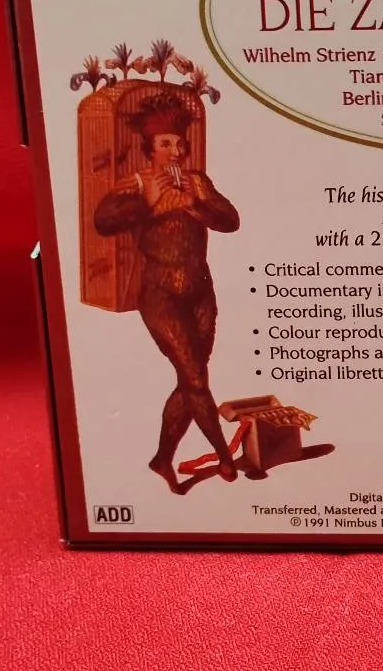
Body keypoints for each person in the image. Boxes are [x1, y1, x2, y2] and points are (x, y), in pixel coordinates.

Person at [93, 91, 241, 493]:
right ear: (150, 148)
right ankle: (225, 458)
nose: (175, 150)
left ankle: (162, 459)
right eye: (165, 143)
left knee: (193, 379)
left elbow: (230, 221)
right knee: (195, 380)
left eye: (178, 143)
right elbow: (103, 222)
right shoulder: (137, 183)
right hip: (161, 296)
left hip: (201, 293)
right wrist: (147, 202)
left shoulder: (197, 182)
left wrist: (195, 205)